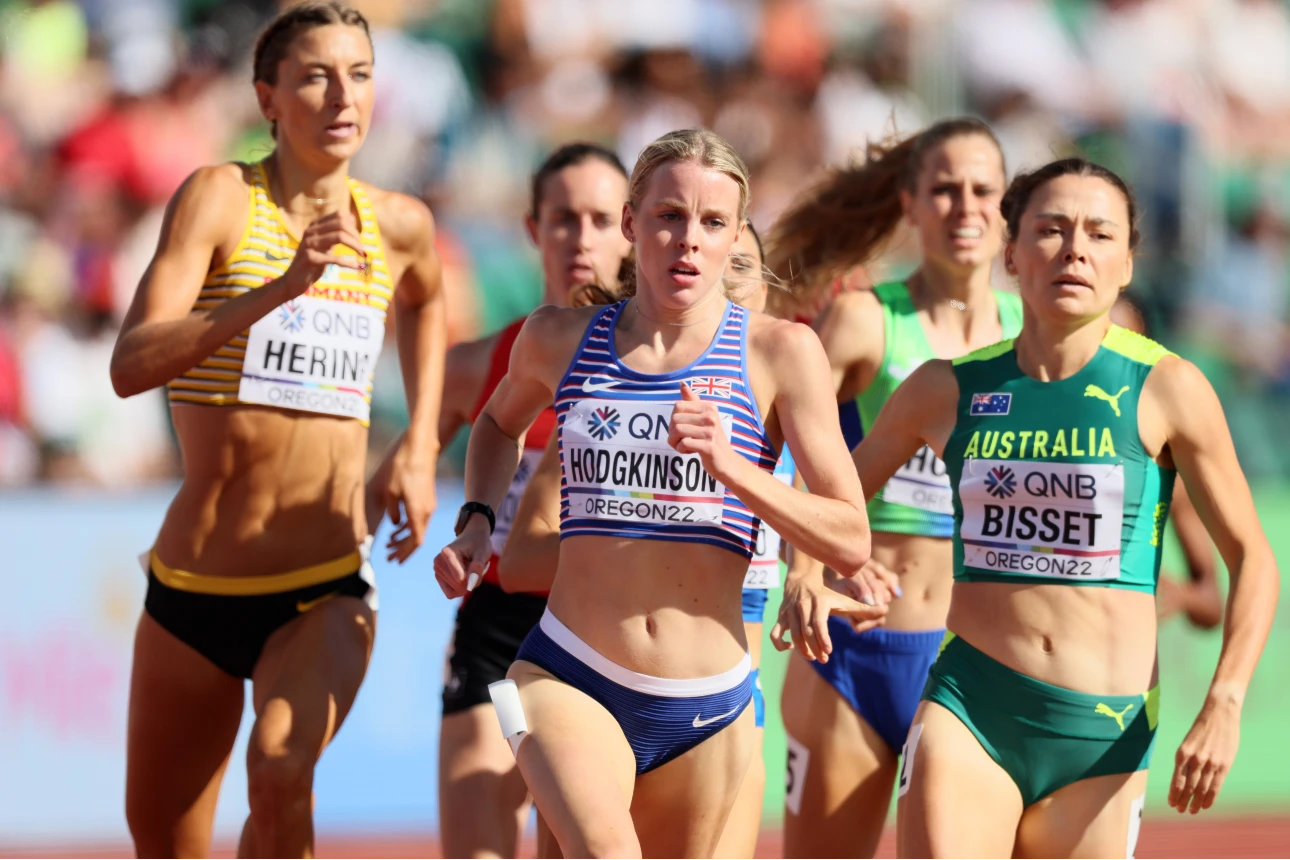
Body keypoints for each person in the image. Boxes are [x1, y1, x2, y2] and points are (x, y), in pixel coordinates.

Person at [795, 157, 1278, 858]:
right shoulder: (945, 390)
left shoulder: (1169, 388)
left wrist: (1225, 700)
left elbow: (1253, 561)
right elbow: (835, 502)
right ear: (1011, 255)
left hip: (1104, 735)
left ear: (1128, 264)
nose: (1075, 248)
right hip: (972, 707)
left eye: (1099, 234)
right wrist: (808, 576)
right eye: (1050, 229)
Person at [434, 128, 881, 859]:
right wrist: (478, 520)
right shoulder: (557, 338)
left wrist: (736, 468)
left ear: (735, 234)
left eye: (711, 223)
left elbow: (848, 536)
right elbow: (494, 423)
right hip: (566, 669)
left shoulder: (781, 354)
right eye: (669, 216)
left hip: (709, 702)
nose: (687, 241)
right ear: (632, 223)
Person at [108, 4, 447, 858]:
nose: (343, 96)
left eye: (360, 75)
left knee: (283, 768)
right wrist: (278, 289)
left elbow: (428, 300)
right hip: (192, 592)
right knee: (163, 841)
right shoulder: (221, 199)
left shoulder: (398, 225)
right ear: (268, 97)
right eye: (314, 76)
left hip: (324, 584)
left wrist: (419, 443)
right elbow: (132, 363)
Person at [765, 117, 1021, 859]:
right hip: (853, 649)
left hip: (975, 664)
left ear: (1007, 205)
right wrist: (802, 568)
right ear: (908, 203)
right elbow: (768, 448)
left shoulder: (1030, 338)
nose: (964, 207)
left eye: (982, 190)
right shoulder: (867, 321)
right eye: (942, 190)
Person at [498, 222, 784, 860]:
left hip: (724, 703)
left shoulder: (784, 400)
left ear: (765, 286)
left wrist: (815, 583)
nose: (725, 276)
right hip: (582, 671)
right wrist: (627, 533)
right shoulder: (602, 403)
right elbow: (516, 559)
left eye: (743, 266)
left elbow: (834, 530)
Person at [426, 142, 631, 860]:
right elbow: (403, 460)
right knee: (476, 843)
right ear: (532, 228)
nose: (581, 237)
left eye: (601, 218)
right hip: (500, 616)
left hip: (607, 623)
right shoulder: (480, 364)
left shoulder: (657, 358)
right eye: (563, 218)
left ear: (630, 228)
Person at [1111, 298, 1224, 630]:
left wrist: (1179, 595)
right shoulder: (1036, 433)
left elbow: (1211, 604)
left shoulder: (1165, 470)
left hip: (1119, 667)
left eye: (1125, 348)